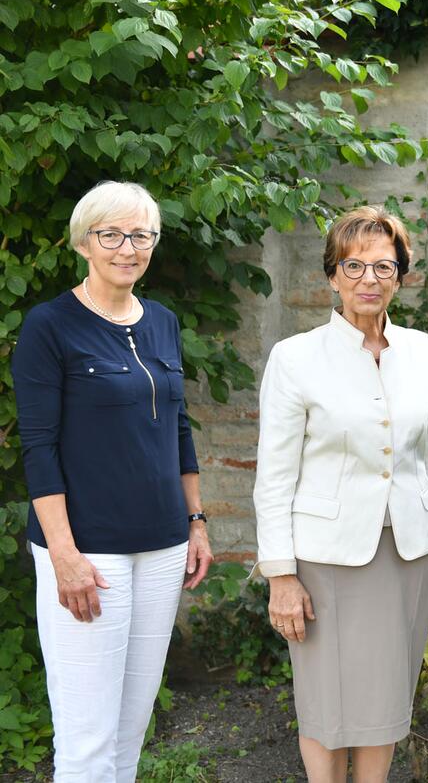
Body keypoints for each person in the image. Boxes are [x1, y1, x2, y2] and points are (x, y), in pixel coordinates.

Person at [12, 180, 213, 781]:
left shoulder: (164, 323)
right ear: (84, 242)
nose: (128, 247)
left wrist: (196, 522)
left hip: (162, 545)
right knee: (86, 740)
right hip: (87, 552)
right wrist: (65, 557)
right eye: (112, 234)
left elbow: (178, 428)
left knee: (129, 731)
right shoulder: (50, 326)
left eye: (141, 235)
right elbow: (38, 449)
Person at [253, 205, 428, 783]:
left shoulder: (426, 353)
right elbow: (275, 475)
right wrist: (281, 574)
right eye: (354, 266)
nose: (369, 279)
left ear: (401, 275)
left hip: (409, 553)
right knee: (326, 697)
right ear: (333, 275)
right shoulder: (296, 358)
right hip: (325, 558)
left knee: (388, 694)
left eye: (384, 267)